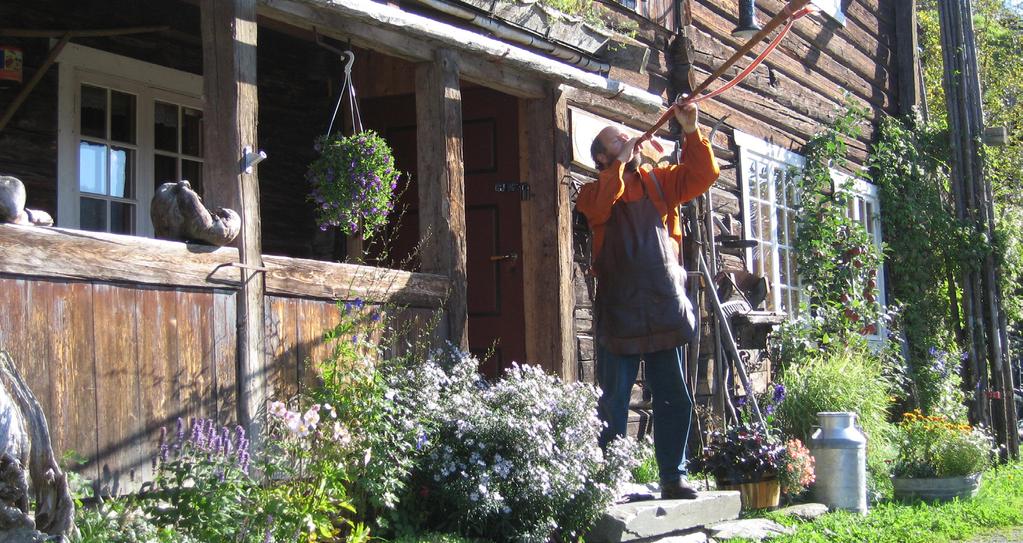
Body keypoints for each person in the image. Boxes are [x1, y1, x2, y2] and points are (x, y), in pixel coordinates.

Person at [576, 98, 719, 500]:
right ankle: (611, 481)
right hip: (619, 309)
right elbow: (606, 201)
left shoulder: (660, 181)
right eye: (617, 139)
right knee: (614, 400)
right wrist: (620, 163)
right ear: (603, 156)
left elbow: (703, 174)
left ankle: (673, 476)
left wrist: (690, 129)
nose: (629, 138)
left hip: (663, 305)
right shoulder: (592, 192)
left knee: (675, 394)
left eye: (628, 135)